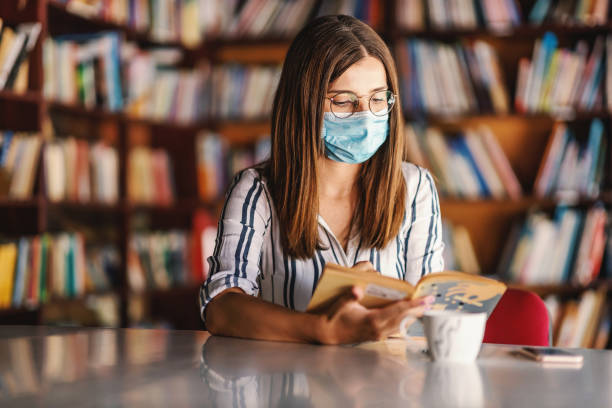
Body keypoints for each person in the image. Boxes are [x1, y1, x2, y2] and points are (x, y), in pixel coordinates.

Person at [199, 15, 444, 345]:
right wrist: (324, 329)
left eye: (377, 99)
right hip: (286, 389)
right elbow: (221, 306)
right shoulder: (256, 191)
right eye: (343, 101)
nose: (365, 116)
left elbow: (431, 313)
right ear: (304, 103)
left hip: (387, 389)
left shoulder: (416, 188)